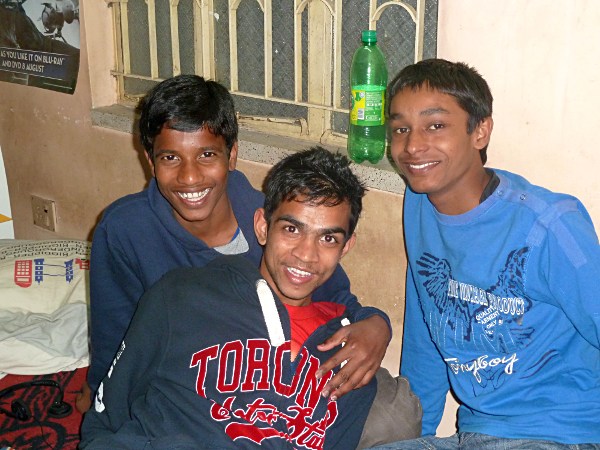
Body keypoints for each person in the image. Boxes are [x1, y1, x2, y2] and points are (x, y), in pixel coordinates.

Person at [80, 75, 391, 413]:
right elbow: (115, 336)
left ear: (232, 156)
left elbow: (334, 295)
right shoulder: (125, 230)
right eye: (170, 158)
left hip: (273, 370)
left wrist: (377, 324)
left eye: (206, 155)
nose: (189, 177)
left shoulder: (272, 223)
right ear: (150, 160)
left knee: (389, 411)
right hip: (186, 384)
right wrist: (99, 394)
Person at [80, 147, 379, 449]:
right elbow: (106, 418)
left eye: (328, 238)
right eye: (291, 229)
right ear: (263, 227)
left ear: (345, 247)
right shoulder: (182, 297)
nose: (305, 254)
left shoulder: (353, 360)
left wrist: (377, 323)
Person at [370, 59, 600, 449]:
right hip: (475, 432)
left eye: (435, 126)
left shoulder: (548, 224)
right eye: (401, 129)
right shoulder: (419, 203)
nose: (412, 146)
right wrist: (416, 434)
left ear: (480, 131)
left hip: (559, 433)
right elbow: (427, 329)